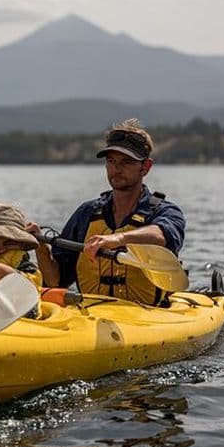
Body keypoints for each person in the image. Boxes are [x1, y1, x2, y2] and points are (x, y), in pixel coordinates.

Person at [29, 118, 185, 306]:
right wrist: (40, 247)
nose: (116, 169)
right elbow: (55, 282)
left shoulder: (166, 212)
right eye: (111, 161)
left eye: (126, 162)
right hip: (93, 314)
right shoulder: (87, 214)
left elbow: (162, 235)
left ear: (145, 167)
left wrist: (118, 239)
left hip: (147, 316)